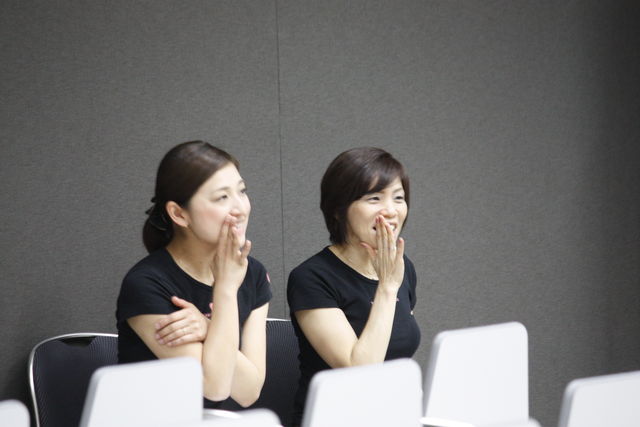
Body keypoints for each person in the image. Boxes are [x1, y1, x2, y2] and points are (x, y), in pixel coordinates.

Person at [116, 140, 272, 408]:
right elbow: (215, 387)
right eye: (222, 197)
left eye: (242, 191)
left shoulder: (253, 272)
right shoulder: (146, 284)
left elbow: (249, 392)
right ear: (179, 214)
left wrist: (208, 327)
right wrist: (225, 288)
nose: (240, 209)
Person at [287, 147, 421, 425]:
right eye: (374, 198)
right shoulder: (311, 278)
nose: (391, 211)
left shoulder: (401, 267)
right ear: (339, 210)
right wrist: (387, 288)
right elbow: (359, 372)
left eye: (398, 198)